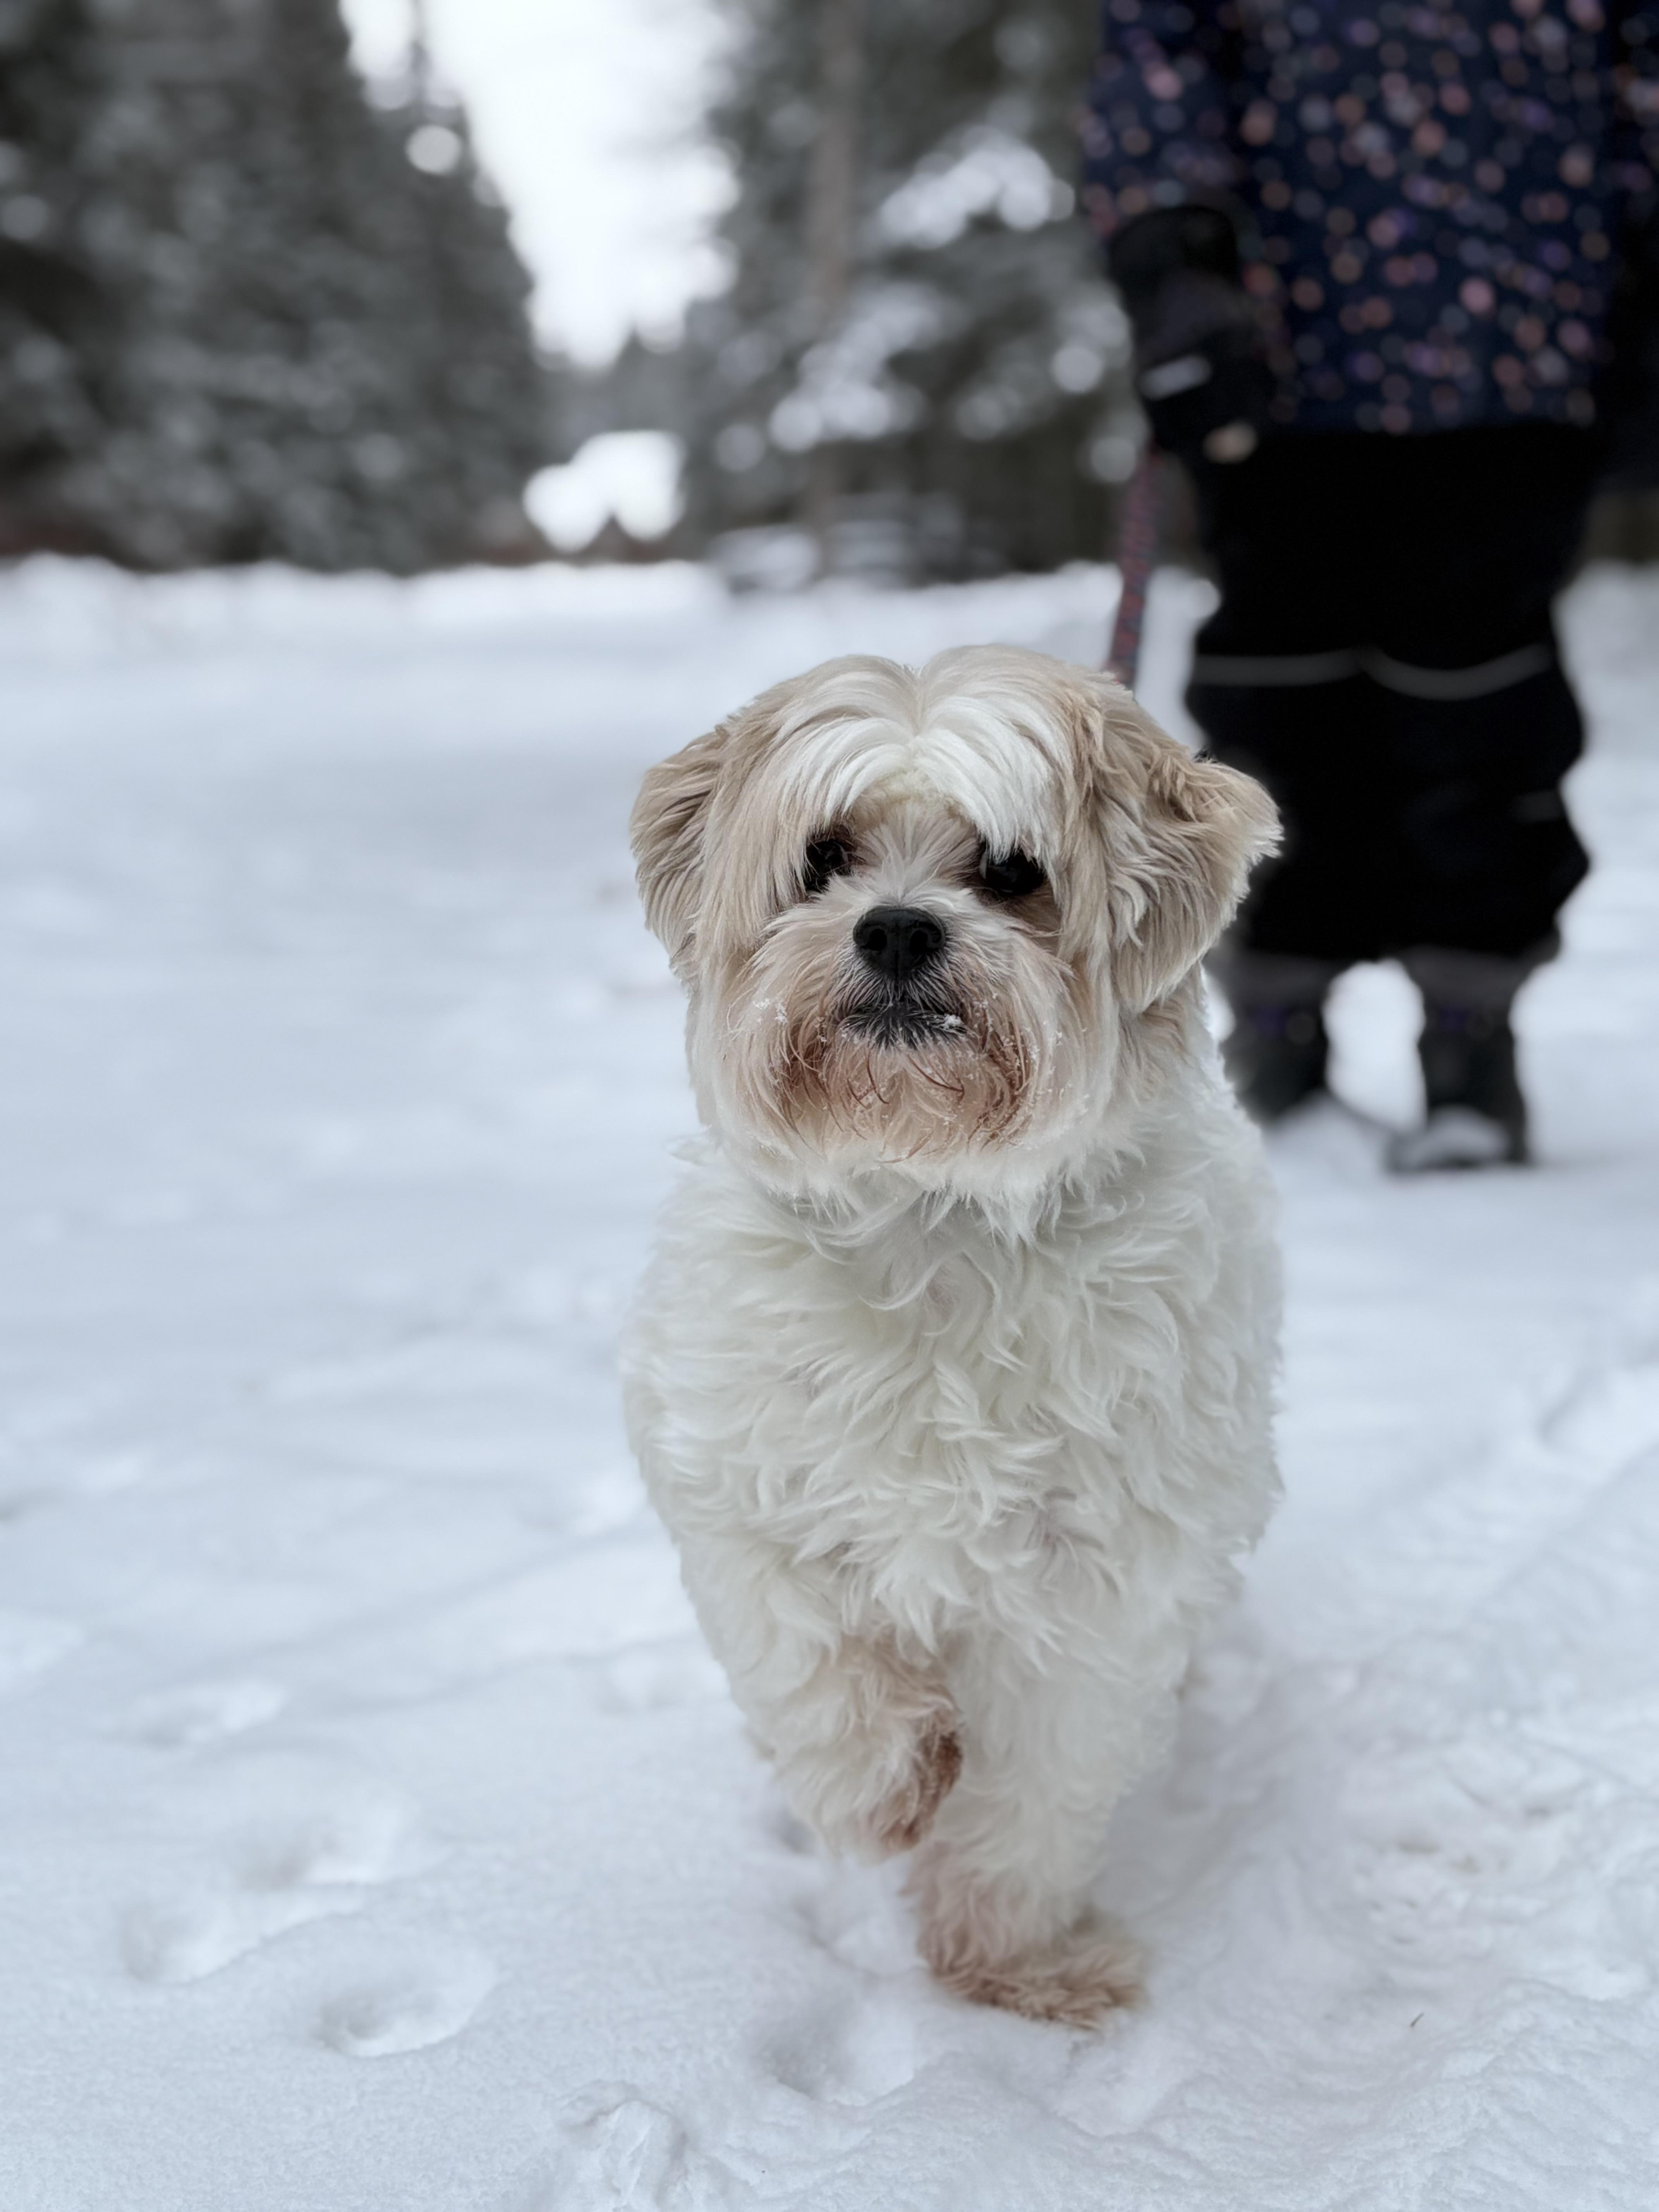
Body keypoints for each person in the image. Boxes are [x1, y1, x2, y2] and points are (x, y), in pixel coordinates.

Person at [1083, 0, 1659, 1167]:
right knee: (1275, 704)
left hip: (1525, 343)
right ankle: (1273, 1026)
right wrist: (1171, 255)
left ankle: (1468, 1029)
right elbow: (1157, 49)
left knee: (1482, 706)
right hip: (1278, 358)